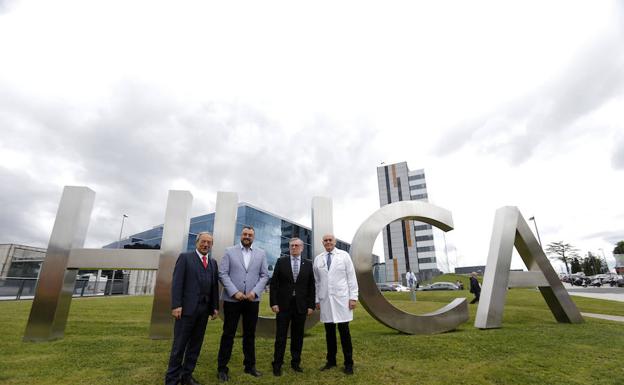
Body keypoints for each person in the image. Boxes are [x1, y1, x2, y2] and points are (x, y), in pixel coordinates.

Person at [165, 232, 219, 385]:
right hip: (186, 310)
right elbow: (177, 283)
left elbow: (214, 286)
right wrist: (176, 305)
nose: (206, 245)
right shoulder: (185, 258)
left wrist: (214, 307)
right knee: (179, 346)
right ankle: (172, 380)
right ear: (197, 242)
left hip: (204, 311)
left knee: (195, 346)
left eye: (209, 243)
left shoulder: (213, 263)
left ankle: (186, 377)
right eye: (203, 241)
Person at [216, 226, 269, 382]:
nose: (247, 236)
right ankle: (222, 368)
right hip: (232, 300)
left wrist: (254, 292)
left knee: (250, 334)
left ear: (254, 237)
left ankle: (250, 366)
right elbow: (223, 273)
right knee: (228, 334)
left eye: (250, 235)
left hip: (252, 300)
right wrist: (234, 292)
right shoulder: (229, 251)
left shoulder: (261, 253)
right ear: (241, 235)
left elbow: (264, 275)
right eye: (245, 234)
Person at [313, 234, 359, 375]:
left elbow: (351, 277)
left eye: (330, 240)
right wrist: (317, 299)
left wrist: (353, 297)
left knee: (344, 332)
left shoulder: (344, 255)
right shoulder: (318, 259)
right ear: (323, 243)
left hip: (342, 300)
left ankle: (348, 363)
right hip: (325, 300)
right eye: (325, 240)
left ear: (335, 242)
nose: (328, 242)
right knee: (329, 332)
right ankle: (331, 361)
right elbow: (317, 282)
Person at [269, 237, 316, 376]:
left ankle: (296, 363)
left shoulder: (308, 264)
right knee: (280, 337)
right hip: (283, 306)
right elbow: (274, 284)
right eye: (291, 246)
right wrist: (274, 302)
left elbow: (311, 287)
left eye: (296, 245)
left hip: (301, 306)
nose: (294, 247)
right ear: (289, 248)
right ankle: (277, 364)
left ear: (302, 248)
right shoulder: (281, 261)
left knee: (298, 336)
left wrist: (311, 305)